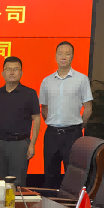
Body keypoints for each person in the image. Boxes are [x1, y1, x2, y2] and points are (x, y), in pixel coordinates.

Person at [38, 41, 94, 190]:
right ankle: (51, 203)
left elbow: (88, 108)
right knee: (50, 175)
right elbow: (44, 109)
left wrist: (79, 126)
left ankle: (71, 204)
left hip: (73, 134)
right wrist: (54, 122)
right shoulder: (47, 81)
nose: (63, 57)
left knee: (73, 175)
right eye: (60, 54)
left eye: (67, 54)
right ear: (55, 56)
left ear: (72, 57)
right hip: (52, 134)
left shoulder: (81, 79)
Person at [0, 55, 40, 184]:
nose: (12, 72)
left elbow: (36, 119)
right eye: (8, 69)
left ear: (21, 73)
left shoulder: (30, 94)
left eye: (16, 69)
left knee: (17, 185)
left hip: (20, 145)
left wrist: (32, 144)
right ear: (3, 73)